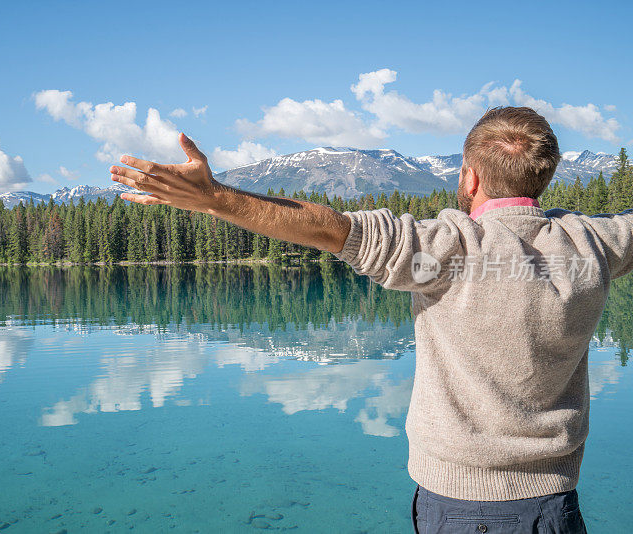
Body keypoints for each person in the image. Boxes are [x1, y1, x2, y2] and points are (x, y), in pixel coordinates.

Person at [110, 106, 633, 533]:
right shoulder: (593, 243)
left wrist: (213, 197)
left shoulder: (445, 250)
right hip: (558, 504)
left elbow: (327, 228)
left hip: (465, 508)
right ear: (546, 175)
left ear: (470, 177)